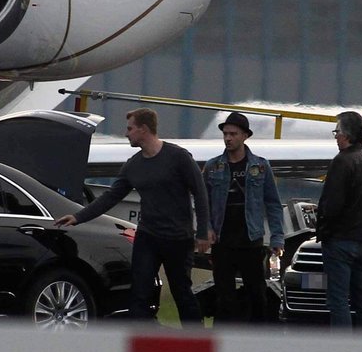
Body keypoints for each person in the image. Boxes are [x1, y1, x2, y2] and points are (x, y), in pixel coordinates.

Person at [54, 108, 210, 324]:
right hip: (148, 236)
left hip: (177, 238)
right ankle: (143, 339)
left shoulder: (178, 157)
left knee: (181, 291)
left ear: (144, 129)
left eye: (130, 128)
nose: (126, 133)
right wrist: (78, 217)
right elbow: (110, 197)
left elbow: (200, 193)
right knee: (139, 292)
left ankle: (195, 340)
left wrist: (203, 232)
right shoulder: (133, 165)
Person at [203, 112, 285, 324]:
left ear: (245, 136)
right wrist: (205, 229)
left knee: (257, 293)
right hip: (223, 240)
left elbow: (273, 204)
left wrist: (277, 238)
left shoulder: (260, 166)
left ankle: (256, 341)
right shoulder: (213, 167)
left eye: (233, 134)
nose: (228, 138)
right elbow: (202, 202)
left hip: (251, 239)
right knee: (224, 297)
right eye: (225, 134)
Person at [316, 111, 362, 329]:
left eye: (337, 131)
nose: (335, 136)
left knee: (338, 300)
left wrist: (323, 228)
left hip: (339, 242)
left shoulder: (342, 161)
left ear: (346, 135)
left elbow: (332, 205)